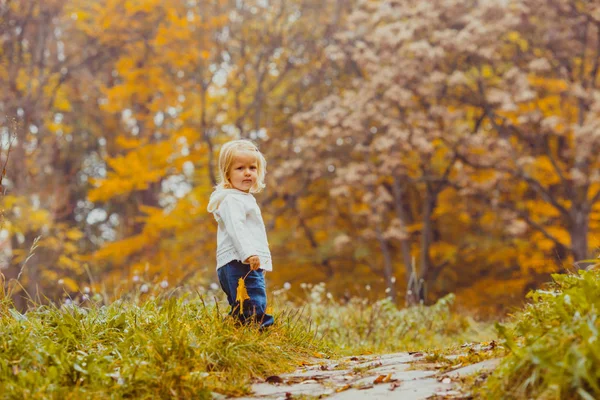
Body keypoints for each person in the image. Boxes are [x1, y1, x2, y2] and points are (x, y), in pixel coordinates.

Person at [207, 139, 274, 328]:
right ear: (227, 173)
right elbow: (237, 228)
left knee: (242, 305)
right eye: (240, 168)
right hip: (240, 261)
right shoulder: (233, 200)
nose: (247, 172)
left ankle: (236, 331)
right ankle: (261, 334)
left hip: (236, 262)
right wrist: (249, 254)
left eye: (252, 168)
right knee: (254, 303)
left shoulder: (241, 198)